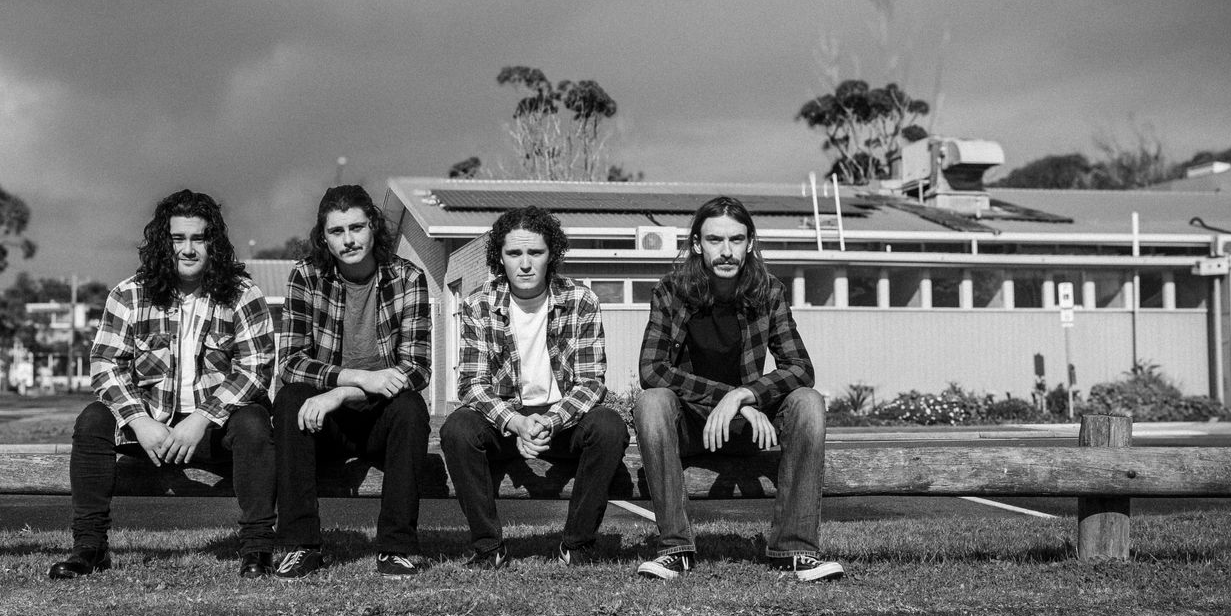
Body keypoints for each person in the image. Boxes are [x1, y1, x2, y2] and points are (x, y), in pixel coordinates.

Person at [50, 190, 277, 580]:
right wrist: (140, 422)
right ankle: (90, 548)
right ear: (163, 243)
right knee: (92, 421)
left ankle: (257, 549)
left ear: (213, 243)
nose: (188, 249)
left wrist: (202, 419)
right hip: (151, 426)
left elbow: (256, 369)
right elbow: (105, 365)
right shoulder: (129, 295)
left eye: (198, 238)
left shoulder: (242, 294)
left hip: (216, 428)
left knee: (255, 422)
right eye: (178, 239)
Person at [633, 195, 842, 583]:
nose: (726, 251)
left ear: (749, 243)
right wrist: (728, 397)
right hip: (693, 427)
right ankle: (675, 550)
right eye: (715, 240)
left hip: (751, 430)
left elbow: (801, 368)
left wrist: (745, 396)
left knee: (808, 401)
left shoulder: (768, 291)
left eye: (736, 239)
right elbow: (652, 369)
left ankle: (796, 550)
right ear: (698, 244)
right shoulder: (671, 291)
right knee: (651, 402)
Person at [440, 206, 628, 567]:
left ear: (551, 254)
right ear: (500, 257)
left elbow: (590, 383)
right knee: (457, 428)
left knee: (609, 425)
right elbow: (472, 384)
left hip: (564, 421)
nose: (525, 264)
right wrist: (516, 423)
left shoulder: (580, 299)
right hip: (505, 422)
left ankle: (577, 545)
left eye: (535, 252)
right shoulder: (478, 303)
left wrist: (549, 422)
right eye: (514, 253)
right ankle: (488, 548)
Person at [272, 184, 432, 578]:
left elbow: (417, 368)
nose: (348, 240)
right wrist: (356, 379)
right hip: (324, 421)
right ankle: (301, 546)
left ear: (373, 227)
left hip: (380, 417)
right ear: (324, 237)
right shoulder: (307, 276)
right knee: (290, 399)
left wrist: (342, 392)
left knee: (411, 407)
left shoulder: (407, 277)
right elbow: (290, 362)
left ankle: (395, 548)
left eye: (356, 228)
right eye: (337, 231)